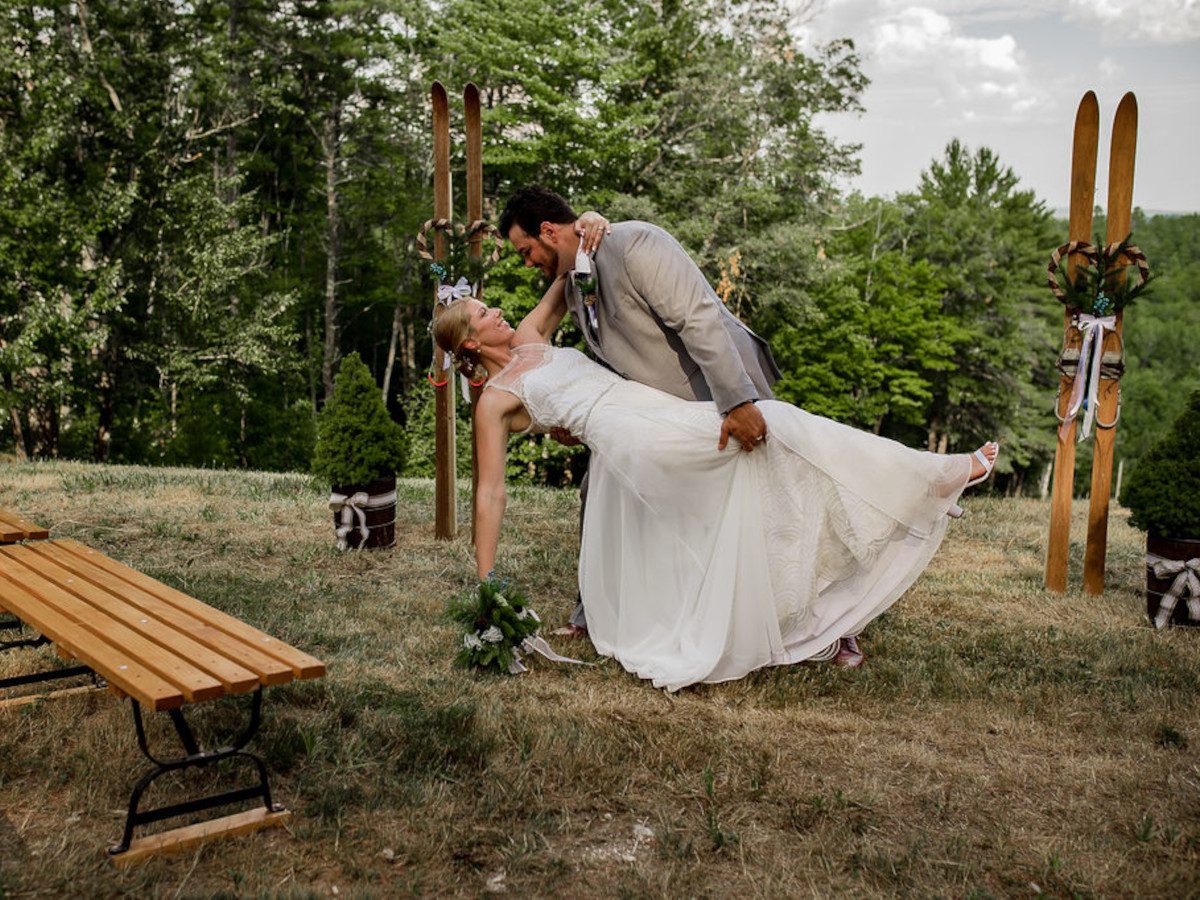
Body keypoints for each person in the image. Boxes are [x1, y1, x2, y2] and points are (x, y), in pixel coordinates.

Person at [432, 295, 998, 692]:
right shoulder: (494, 401)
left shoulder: (532, 339)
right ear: (471, 340)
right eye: (485, 313)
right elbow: (489, 491)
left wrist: (593, 221)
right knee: (775, 424)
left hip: (654, 410)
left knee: (766, 460)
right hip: (633, 439)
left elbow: (563, 274)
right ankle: (932, 473)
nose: (500, 311)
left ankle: (805, 596)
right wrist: (486, 581)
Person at [499, 186, 784, 644]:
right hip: (657, 411)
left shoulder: (636, 244)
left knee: (770, 504)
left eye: (526, 250)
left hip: (723, 389)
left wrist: (737, 402)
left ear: (548, 231)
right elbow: (617, 355)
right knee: (602, 485)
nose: (526, 262)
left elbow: (699, 319)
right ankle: (594, 610)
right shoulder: (574, 283)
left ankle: (827, 621)